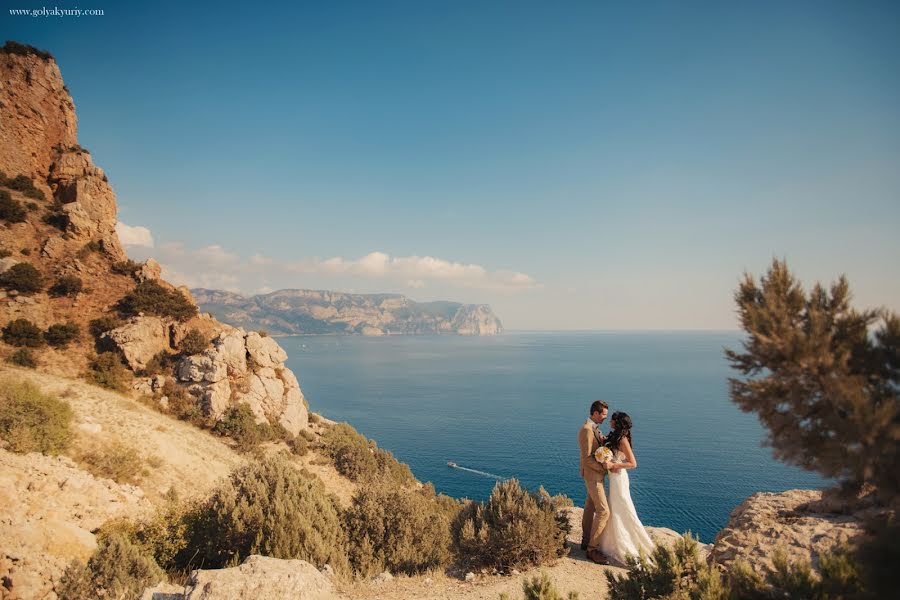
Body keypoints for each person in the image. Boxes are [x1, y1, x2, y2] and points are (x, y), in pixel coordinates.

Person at [597, 411, 655, 566]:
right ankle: (612, 541)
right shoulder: (616, 437)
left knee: (623, 508)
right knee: (614, 508)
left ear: (617, 422)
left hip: (619, 479)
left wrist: (613, 465)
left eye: (612, 419)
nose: (610, 421)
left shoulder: (623, 439)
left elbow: (633, 463)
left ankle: (630, 544)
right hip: (613, 479)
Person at [578, 400, 613, 565]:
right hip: (592, 476)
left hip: (594, 475)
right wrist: (603, 468)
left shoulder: (594, 429)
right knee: (604, 511)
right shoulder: (586, 430)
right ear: (595, 413)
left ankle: (585, 541)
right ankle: (592, 549)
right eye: (604, 414)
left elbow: (595, 449)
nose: (606, 417)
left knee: (590, 507)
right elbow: (586, 459)